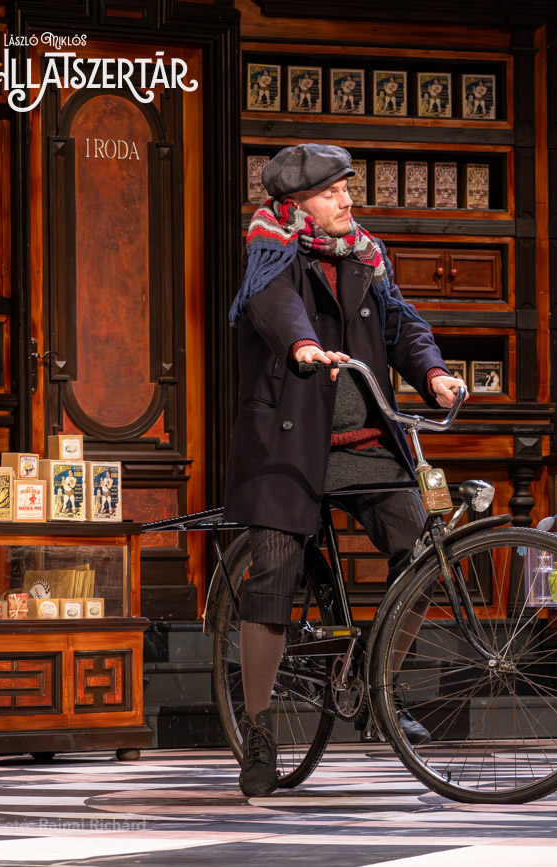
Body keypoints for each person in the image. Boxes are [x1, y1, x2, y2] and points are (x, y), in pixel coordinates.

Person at [224, 142, 467, 798]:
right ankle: (261, 729)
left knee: (423, 547)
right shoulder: (271, 249)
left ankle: (376, 686)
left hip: (365, 443)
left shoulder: (365, 255)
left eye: (347, 189)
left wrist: (434, 373)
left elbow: (403, 324)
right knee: (274, 571)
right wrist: (303, 344)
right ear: (297, 203)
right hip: (289, 445)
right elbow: (274, 304)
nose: (347, 201)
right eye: (333, 192)